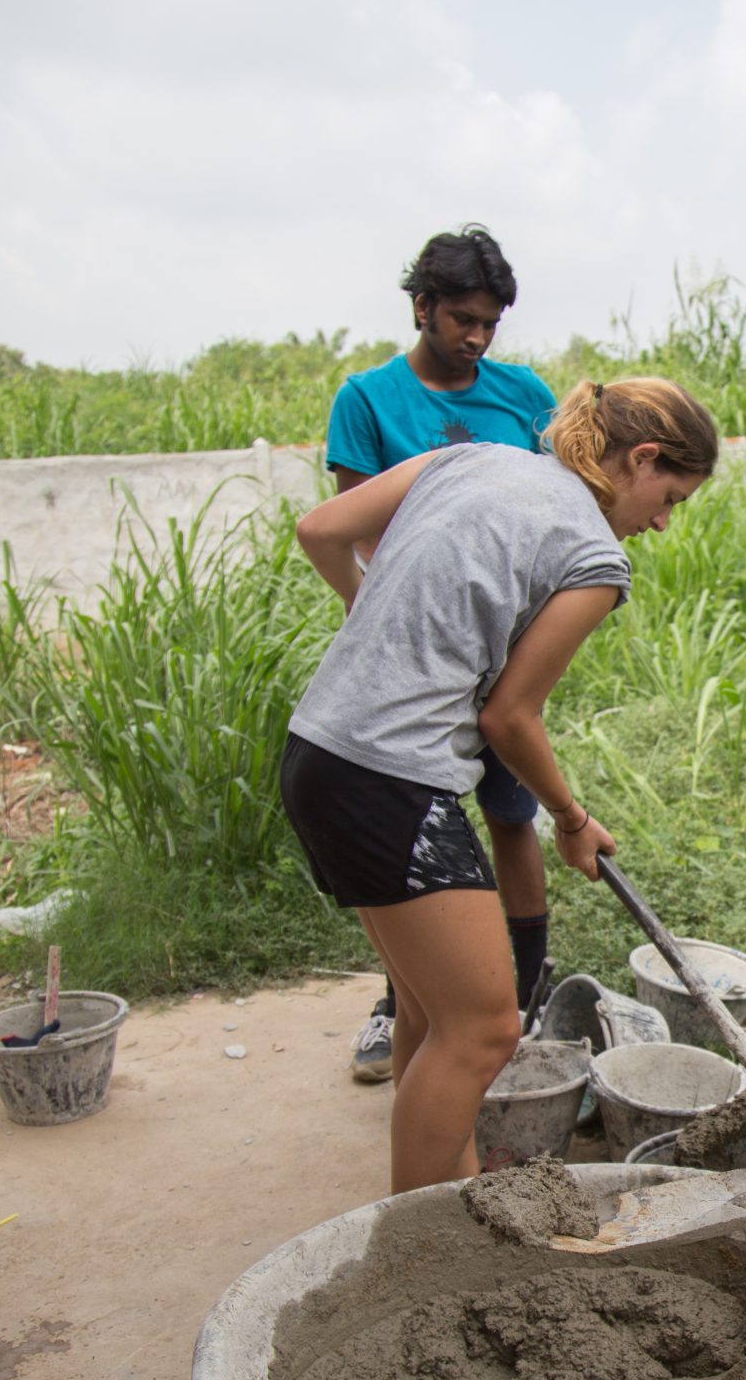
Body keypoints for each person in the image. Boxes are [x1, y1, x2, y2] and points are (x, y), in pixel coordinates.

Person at [281, 378, 718, 1194]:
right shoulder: (595, 556)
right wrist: (571, 818)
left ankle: (454, 1202)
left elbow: (320, 529)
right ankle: (415, 1246)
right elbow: (509, 716)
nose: (663, 521)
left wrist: (368, 607)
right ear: (643, 457)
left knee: (430, 1017)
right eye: (671, 498)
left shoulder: (468, 459)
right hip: (389, 777)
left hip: (319, 752)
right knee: (483, 1030)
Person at [325, 225, 561, 1083]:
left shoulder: (524, 395)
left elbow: (553, 510)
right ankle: (405, 1002)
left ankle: (528, 990)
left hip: (503, 648)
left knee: (511, 813)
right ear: (421, 305)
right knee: (414, 833)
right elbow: (359, 534)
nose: (477, 337)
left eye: (490, 323)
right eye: (463, 318)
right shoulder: (368, 399)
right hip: (416, 661)